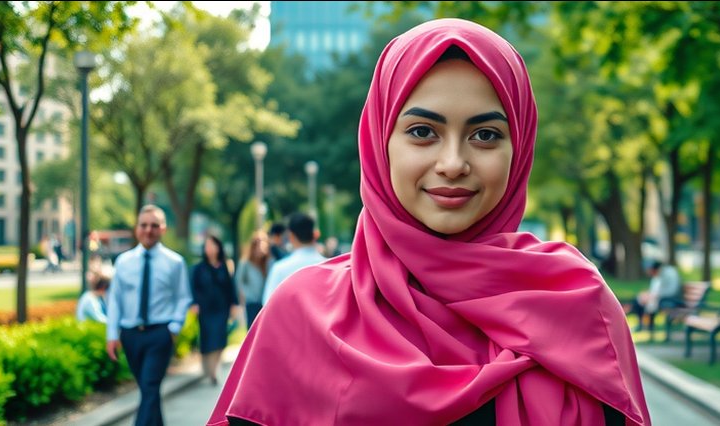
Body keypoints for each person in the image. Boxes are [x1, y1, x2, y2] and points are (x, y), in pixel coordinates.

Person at [209, 19, 650, 425]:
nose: (453, 163)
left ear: (519, 149)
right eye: (423, 131)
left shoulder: (578, 304)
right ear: (381, 142)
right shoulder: (300, 314)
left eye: (486, 135)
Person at [106, 205, 193, 426]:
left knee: (150, 386)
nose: (148, 230)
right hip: (130, 335)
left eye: (154, 225)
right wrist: (111, 334)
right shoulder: (123, 262)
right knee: (148, 391)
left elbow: (183, 298)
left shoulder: (175, 263)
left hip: (160, 334)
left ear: (163, 229)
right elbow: (115, 300)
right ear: (137, 229)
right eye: (144, 225)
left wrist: (173, 328)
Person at [191, 234, 239, 386]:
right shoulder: (199, 268)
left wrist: (234, 304)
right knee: (207, 338)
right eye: (207, 246)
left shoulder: (225, 266)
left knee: (220, 339)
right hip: (205, 308)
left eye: (213, 245)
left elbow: (231, 287)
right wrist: (194, 304)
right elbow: (193, 287)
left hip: (221, 308)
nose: (210, 248)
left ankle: (214, 369)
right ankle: (208, 368)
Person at [258, 213, 328, 304]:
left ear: (290, 236)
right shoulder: (328, 267)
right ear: (316, 234)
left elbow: (267, 305)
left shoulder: (280, 269)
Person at [629, 260, 683, 332]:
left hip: (671, 300)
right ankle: (642, 325)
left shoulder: (670, 273)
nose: (651, 274)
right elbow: (654, 290)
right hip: (661, 298)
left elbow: (672, 291)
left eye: (651, 271)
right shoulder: (659, 274)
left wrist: (654, 296)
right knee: (637, 300)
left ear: (655, 269)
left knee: (647, 302)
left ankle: (648, 326)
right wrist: (648, 295)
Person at [234, 231, 271, 330]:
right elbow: (239, 283)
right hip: (251, 304)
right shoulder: (245, 264)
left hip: (265, 304)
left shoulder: (268, 263)